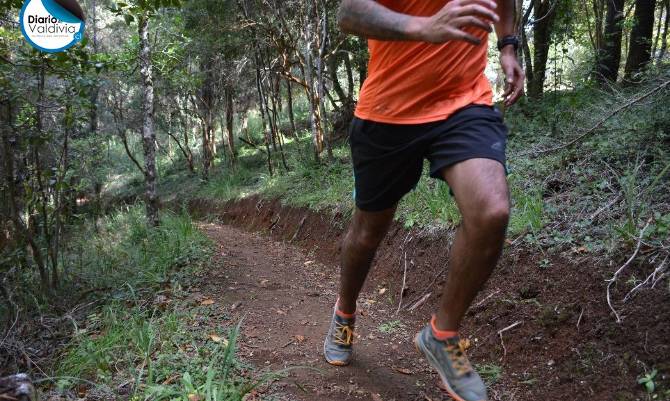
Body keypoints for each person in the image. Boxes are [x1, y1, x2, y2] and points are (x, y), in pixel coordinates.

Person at [322, 1, 525, 400]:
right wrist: (424, 26)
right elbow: (349, 14)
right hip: (388, 112)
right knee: (367, 233)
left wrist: (507, 46)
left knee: (492, 210)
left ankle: (441, 333)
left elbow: (502, 3)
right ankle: (344, 311)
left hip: (464, 103)